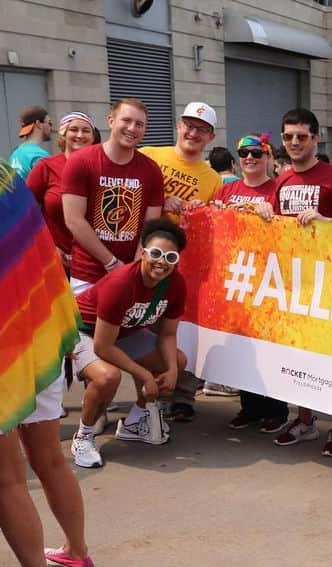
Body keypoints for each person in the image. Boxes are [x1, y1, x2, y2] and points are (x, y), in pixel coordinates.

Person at [0, 125, 93, 567]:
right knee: (50, 460)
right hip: (33, 340)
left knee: (7, 481)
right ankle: (77, 553)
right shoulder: (2, 176)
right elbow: (38, 257)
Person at [70, 219, 189, 469]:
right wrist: (145, 375)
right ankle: (84, 435)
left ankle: (135, 421)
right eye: (155, 253)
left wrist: (173, 371)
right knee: (107, 378)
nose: (161, 262)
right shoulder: (121, 282)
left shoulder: (176, 283)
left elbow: (167, 334)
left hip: (125, 332)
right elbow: (103, 347)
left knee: (176, 361)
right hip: (84, 331)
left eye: (170, 257)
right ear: (143, 253)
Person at [272, 108, 332, 455]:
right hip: (294, 285)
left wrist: (325, 221)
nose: (294, 142)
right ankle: (304, 419)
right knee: (297, 357)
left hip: (330, 284)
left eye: (301, 136)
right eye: (289, 136)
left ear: (315, 138)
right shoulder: (281, 180)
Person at [138, 102, 220, 422]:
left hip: (183, 268)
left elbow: (215, 230)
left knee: (179, 331)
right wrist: (158, 200)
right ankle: (144, 398)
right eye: (188, 124)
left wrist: (204, 214)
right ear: (178, 126)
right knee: (139, 330)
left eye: (201, 129)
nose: (192, 132)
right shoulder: (150, 155)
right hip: (142, 260)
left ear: (210, 137)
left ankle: (180, 395)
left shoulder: (212, 179)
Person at [214, 134, 290, 435]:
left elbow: (290, 233)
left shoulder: (278, 191)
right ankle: (249, 407)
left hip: (270, 280)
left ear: (268, 157)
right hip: (237, 278)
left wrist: (272, 220)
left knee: (269, 350)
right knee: (242, 348)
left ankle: (276, 410)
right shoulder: (227, 190)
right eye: (244, 153)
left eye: (256, 154)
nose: (249, 158)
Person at [62, 98, 164, 296]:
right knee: (86, 327)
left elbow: (150, 224)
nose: (132, 128)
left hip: (130, 271)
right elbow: (73, 220)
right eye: (126, 120)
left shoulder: (151, 170)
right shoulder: (81, 162)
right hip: (87, 274)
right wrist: (110, 262)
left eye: (139, 124)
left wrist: (135, 266)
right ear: (111, 121)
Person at [27, 111, 99, 268]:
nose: (80, 135)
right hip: (56, 262)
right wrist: (48, 246)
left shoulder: (102, 170)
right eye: (73, 129)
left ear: (93, 137)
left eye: (86, 130)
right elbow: (24, 213)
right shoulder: (45, 167)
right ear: (63, 134)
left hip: (95, 263)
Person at [8, 105, 52, 179]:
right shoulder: (40, 156)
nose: (51, 128)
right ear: (38, 124)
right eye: (49, 123)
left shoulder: (14, 154)